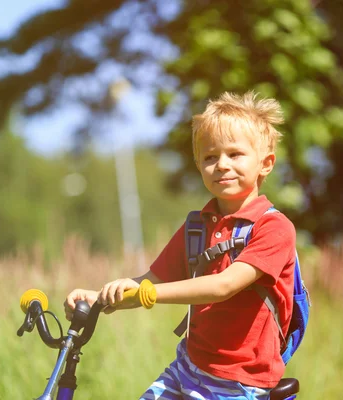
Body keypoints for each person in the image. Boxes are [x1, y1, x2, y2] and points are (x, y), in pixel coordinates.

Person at [64, 91, 297, 399]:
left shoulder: (273, 227)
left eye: (235, 154)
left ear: (265, 164)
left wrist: (150, 295)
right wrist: (100, 298)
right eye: (210, 157)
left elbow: (223, 286)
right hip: (188, 366)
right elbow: (150, 281)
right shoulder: (196, 227)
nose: (222, 165)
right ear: (199, 166)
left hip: (239, 381)